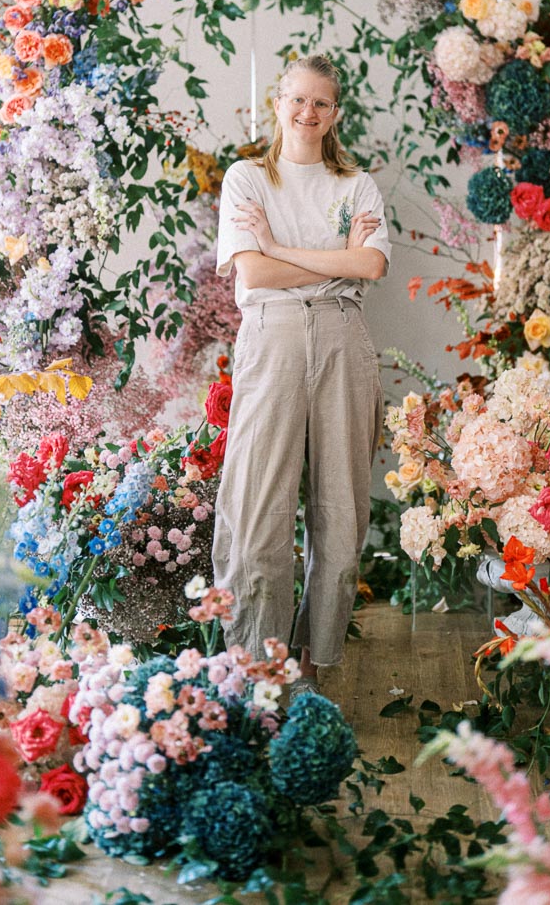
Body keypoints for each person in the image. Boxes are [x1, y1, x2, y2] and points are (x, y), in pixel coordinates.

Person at [212, 53, 389, 694]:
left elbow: (369, 268)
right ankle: (258, 665)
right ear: (278, 104)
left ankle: (316, 662)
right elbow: (251, 275)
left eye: (321, 103)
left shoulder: (357, 186)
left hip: (343, 337)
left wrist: (280, 248)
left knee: (341, 509)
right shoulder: (247, 179)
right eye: (297, 100)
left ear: (335, 114)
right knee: (259, 508)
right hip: (274, 335)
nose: (307, 113)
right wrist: (337, 258)